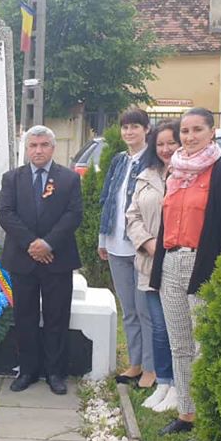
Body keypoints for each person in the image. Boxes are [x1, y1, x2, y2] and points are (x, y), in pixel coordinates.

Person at [149, 108, 221, 435]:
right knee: (180, 344)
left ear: (212, 132)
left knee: (205, 343)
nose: (189, 137)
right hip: (172, 263)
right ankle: (187, 414)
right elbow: (164, 224)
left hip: (203, 265)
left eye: (197, 130)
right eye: (185, 131)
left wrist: (219, 271)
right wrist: (159, 267)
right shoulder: (174, 171)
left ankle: (209, 414)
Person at [0, 125, 83, 395]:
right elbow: (6, 213)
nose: (38, 150)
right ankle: (28, 370)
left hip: (57, 259)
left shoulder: (69, 179)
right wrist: (32, 243)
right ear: (26, 148)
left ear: (53, 148)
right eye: (33, 145)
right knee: (25, 316)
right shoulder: (12, 178)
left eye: (44, 145)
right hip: (22, 259)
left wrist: (48, 243)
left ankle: (55, 373)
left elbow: (73, 214)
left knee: (57, 316)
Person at [97, 108, 154, 388]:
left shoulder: (154, 161)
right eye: (125, 127)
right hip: (115, 244)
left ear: (146, 129)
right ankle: (135, 363)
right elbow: (108, 198)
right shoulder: (119, 161)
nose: (129, 132)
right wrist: (102, 238)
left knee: (146, 310)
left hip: (141, 247)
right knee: (128, 309)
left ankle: (151, 369)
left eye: (135, 127)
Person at [127, 119, 179, 412]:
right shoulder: (146, 174)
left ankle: (179, 387)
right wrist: (146, 242)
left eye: (171, 142)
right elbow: (131, 215)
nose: (165, 149)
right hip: (149, 262)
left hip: (179, 262)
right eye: (160, 144)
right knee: (159, 327)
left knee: (178, 329)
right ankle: (164, 382)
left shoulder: (188, 173)